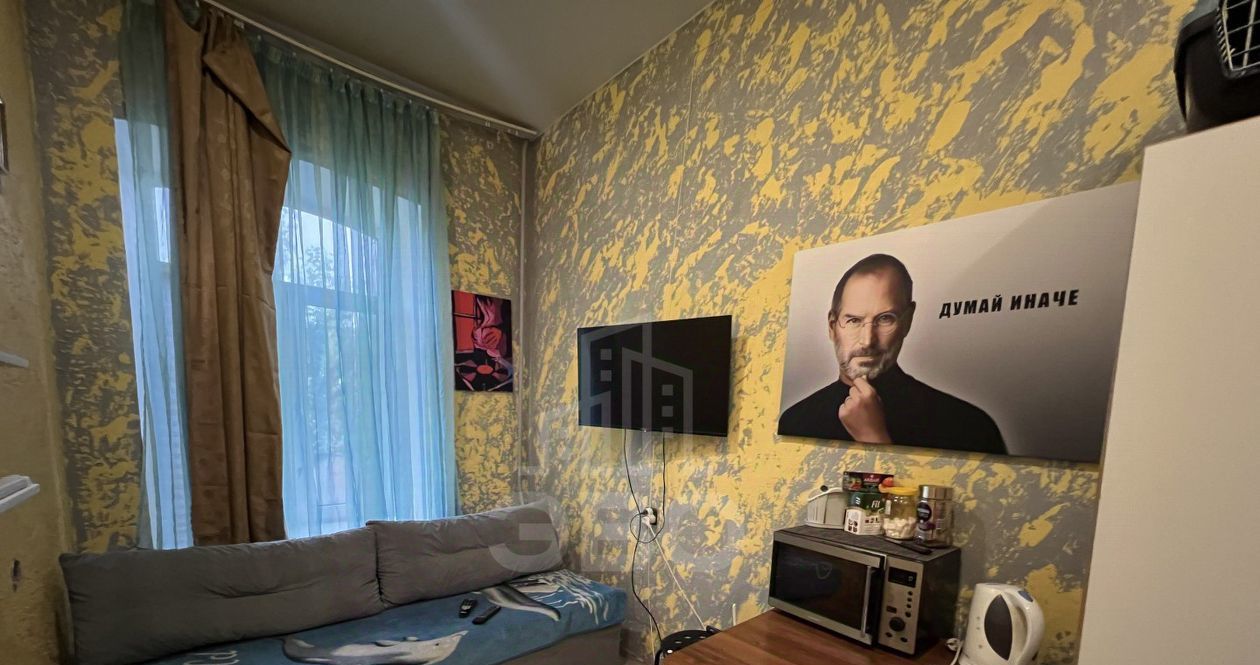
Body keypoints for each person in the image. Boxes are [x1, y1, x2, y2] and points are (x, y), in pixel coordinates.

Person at [778, 253, 1006, 454]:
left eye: (885, 318)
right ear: (832, 326)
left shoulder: (969, 425)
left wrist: (873, 438)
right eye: (854, 320)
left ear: (907, 321)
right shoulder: (794, 421)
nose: (868, 340)